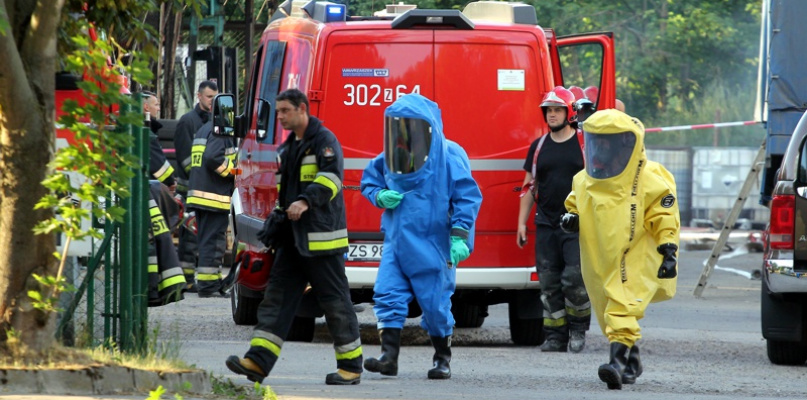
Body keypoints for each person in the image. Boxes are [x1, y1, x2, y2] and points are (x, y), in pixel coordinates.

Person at [225, 89, 363, 385]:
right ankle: (258, 362)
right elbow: (284, 197)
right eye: (278, 112)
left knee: (335, 302)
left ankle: (351, 366)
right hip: (293, 242)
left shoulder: (325, 141)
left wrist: (305, 201)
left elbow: (332, 180)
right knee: (275, 299)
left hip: (321, 242)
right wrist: (276, 221)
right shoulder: (288, 149)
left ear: (303, 109)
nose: (281, 117)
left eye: (286, 110)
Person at [360, 93, 482, 380]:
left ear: (428, 128)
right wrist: (379, 195)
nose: (404, 132)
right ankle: (389, 358)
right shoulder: (391, 156)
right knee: (387, 295)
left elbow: (467, 197)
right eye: (399, 126)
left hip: (433, 244)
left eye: (411, 126)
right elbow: (369, 181)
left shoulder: (448, 156)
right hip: (397, 239)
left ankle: (442, 359)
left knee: (435, 304)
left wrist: (459, 237)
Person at [562, 109, 680, 390]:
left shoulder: (650, 178)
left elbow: (665, 216)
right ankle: (632, 361)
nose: (600, 148)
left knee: (621, 307)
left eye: (607, 142)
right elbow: (574, 204)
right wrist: (571, 218)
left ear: (625, 144)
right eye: (597, 141)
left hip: (637, 254)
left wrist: (669, 250)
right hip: (599, 257)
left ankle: (615, 365)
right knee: (608, 311)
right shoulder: (584, 180)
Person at [516, 86, 591, 353]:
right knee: (548, 282)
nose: (552, 115)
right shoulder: (539, 147)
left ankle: (578, 329)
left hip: (577, 224)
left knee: (574, 278)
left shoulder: (585, 144)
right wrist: (521, 223)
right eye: (548, 110)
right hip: (546, 223)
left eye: (557, 110)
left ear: (569, 112)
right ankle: (555, 336)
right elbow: (529, 186)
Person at [185, 104, 237, 298]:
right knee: (214, 242)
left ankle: (211, 282)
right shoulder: (220, 132)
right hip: (214, 196)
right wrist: (234, 172)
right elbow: (213, 158)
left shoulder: (203, 129)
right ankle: (208, 286)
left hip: (201, 194)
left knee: (207, 240)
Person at [174, 80, 218, 290]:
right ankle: (186, 280)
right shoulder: (187, 122)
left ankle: (198, 279)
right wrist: (207, 176)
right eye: (209, 96)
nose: (212, 101)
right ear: (199, 96)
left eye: (215, 97)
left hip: (207, 189)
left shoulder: (214, 123)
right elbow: (185, 160)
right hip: (189, 188)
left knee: (205, 235)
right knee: (190, 235)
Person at [141, 92, 176, 190]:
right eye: (156, 105)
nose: (158, 108)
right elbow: (159, 166)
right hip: (151, 188)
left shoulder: (137, 128)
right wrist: (170, 182)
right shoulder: (147, 133)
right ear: (146, 107)